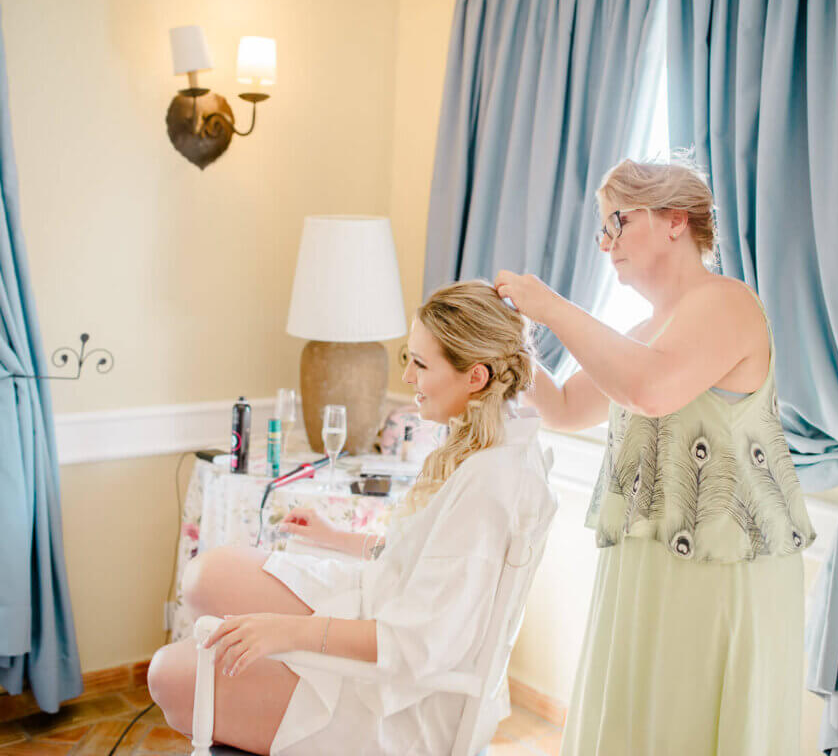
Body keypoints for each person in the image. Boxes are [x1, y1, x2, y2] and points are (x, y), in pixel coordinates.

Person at [147, 280, 557, 756]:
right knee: (204, 578)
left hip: (398, 701)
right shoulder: (490, 445)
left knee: (169, 673)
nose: (407, 379)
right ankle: (270, 675)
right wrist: (340, 539)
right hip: (376, 604)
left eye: (420, 365)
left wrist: (287, 632)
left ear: (477, 377)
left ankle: (277, 678)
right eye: (409, 358)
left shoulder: (491, 483)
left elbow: (416, 644)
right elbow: (430, 566)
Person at [495, 153, 817, 755]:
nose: (606, 243)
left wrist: (552, 307)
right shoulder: (644, 332)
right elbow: (564, 406)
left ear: (675, 220)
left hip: (722, 566)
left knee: (690, 722)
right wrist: (509, 346)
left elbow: (650, 389)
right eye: (604, 228)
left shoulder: (729, 302)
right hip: (650, 559)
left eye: (617, 221)